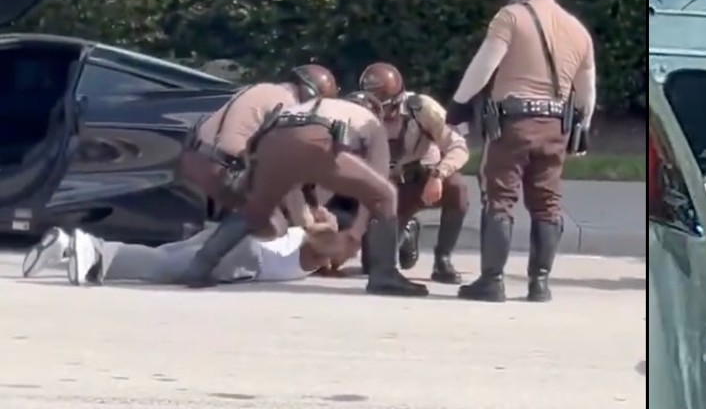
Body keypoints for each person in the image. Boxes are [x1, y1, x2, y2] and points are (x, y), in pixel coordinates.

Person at [444, 0, 596, 303]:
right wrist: (583, 126)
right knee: (547, 202)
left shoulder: (511, 17)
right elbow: (587, 90)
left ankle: (492, 280)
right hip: (556, 125)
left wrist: (460, 102)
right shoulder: (578, 30)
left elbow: (486, 63)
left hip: (514, 123)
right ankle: (539, 283)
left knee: (499, 198)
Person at [177, 93, 427, 298]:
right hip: (317, 137)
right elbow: (378, 187)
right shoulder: (371, 123)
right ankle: (384, 275)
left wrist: (305, 220)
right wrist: (355, 233)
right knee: (387, 195)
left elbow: (292, 184)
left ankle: (200, 266)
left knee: (256, 209)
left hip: (273, 137)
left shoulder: (314, 104)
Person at [176, 64, 340, 236]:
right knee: (273, 227)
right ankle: (206, 259)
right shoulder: (289, 108)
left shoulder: (259, 89)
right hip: (224, 171)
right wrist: (306, 223)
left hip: (193, 159)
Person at [21, 208, 350, 286]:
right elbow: (327, 241)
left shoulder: (314, 255)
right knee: (161, 268)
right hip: (245, 257)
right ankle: (91, 251)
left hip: (235, 240)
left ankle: (65, 249)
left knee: (162, 256)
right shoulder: (318, 250)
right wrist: (328, 228)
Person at [358, 62, 472, 284]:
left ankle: (443, 259)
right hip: (388, 189)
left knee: (457, 188)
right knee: (372, 265)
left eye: (386, 106)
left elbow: (458, 146)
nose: (380, 112)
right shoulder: (359, 114)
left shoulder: (420, 108)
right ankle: (406, 231)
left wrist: (438, 175)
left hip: (422, 178)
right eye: (373, 104)